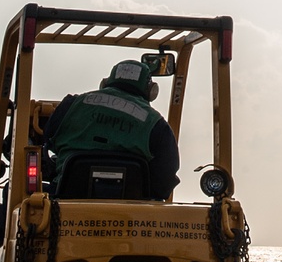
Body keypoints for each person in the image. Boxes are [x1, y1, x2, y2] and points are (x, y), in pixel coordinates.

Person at [44, 59, 180, 200]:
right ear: (152, 91)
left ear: (105, 82)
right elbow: (164, 180)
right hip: (133, 214)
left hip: (65, 202)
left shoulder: (71, 105)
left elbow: (48, 140)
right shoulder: (157, 125)